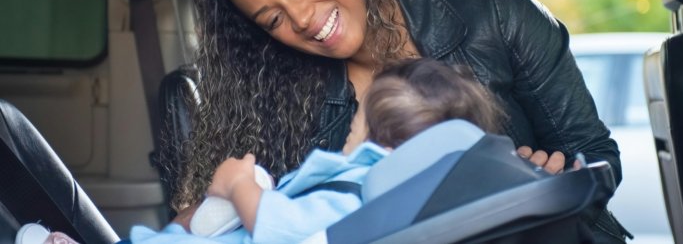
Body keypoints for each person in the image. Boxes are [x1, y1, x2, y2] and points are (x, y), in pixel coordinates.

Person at [172, 0, 628, 242]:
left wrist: (549, 177)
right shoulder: (280, 92)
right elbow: (252, 207)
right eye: (273, 20)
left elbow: (595, 153)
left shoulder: (494, 8)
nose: (303, 19)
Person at [127, 58, 504, 244]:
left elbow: (284, 231)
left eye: (359, 115)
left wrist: (238, 185)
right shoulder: (406, 200)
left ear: (375, 136)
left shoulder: (364, 194)